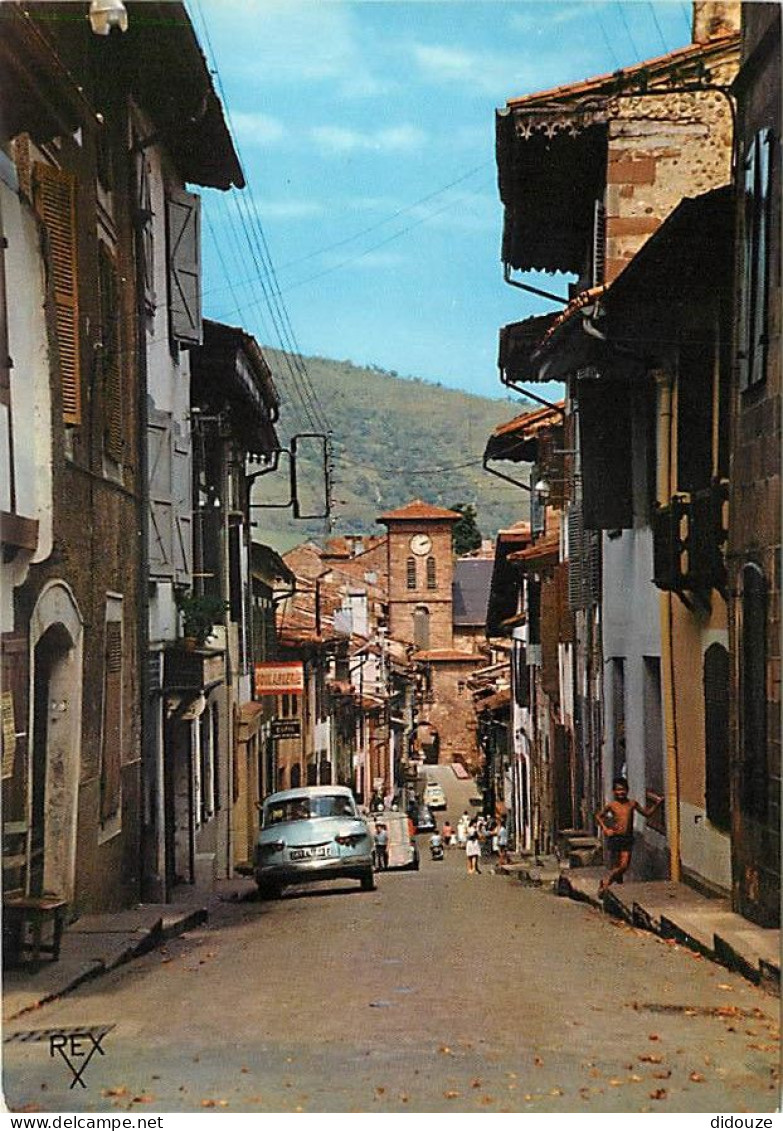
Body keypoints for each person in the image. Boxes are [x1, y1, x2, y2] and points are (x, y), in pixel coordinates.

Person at [595, 776, 663, 895]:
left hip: (627, 837)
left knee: (624, 866)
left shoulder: (632, 804)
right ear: (614, 791)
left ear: (627, 790)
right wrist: (606, 829)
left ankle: (605, 882)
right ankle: (616, 889)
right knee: (617, 865)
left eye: (623, 790)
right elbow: (599, 816)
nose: (621, 792)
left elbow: (647, 814)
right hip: (615, 837)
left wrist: (657, 804)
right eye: (618, 790)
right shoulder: (612, 805)